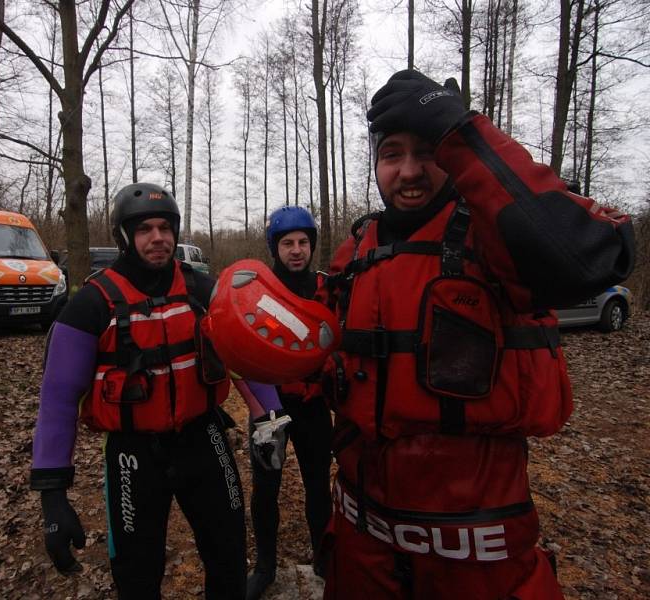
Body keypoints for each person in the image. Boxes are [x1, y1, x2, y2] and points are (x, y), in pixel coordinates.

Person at [318, 70, 634, 599]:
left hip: (475, 554)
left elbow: (591, 257)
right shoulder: (355, 254)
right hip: (363, 544)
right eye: (392, 154)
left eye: (428, 152)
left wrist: (460, 128)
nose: (411, 171)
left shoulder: (497, 238)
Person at [31, 183, 272, 599]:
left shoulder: (202, 291)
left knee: (229, 554)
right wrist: (52, 495)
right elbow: (57, 400)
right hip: (133, 452)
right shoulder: (92, 304)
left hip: (204, 438)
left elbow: (246, 355)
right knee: (137, 574)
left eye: (165, 227)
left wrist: (270, 416)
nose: (158, 238)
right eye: (145, 229)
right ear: (124, 236)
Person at [245, 206, 334, 600]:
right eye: (287, 243)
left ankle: (323, 557)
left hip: (313, 404)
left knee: (318, 483)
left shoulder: (327, 288)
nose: (296, 250)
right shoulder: (259, 288)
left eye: (303, 242)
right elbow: (240, 350)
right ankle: (264, 566)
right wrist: (257, 406)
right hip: (271, 407)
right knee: (267, 487)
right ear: (274, 248)